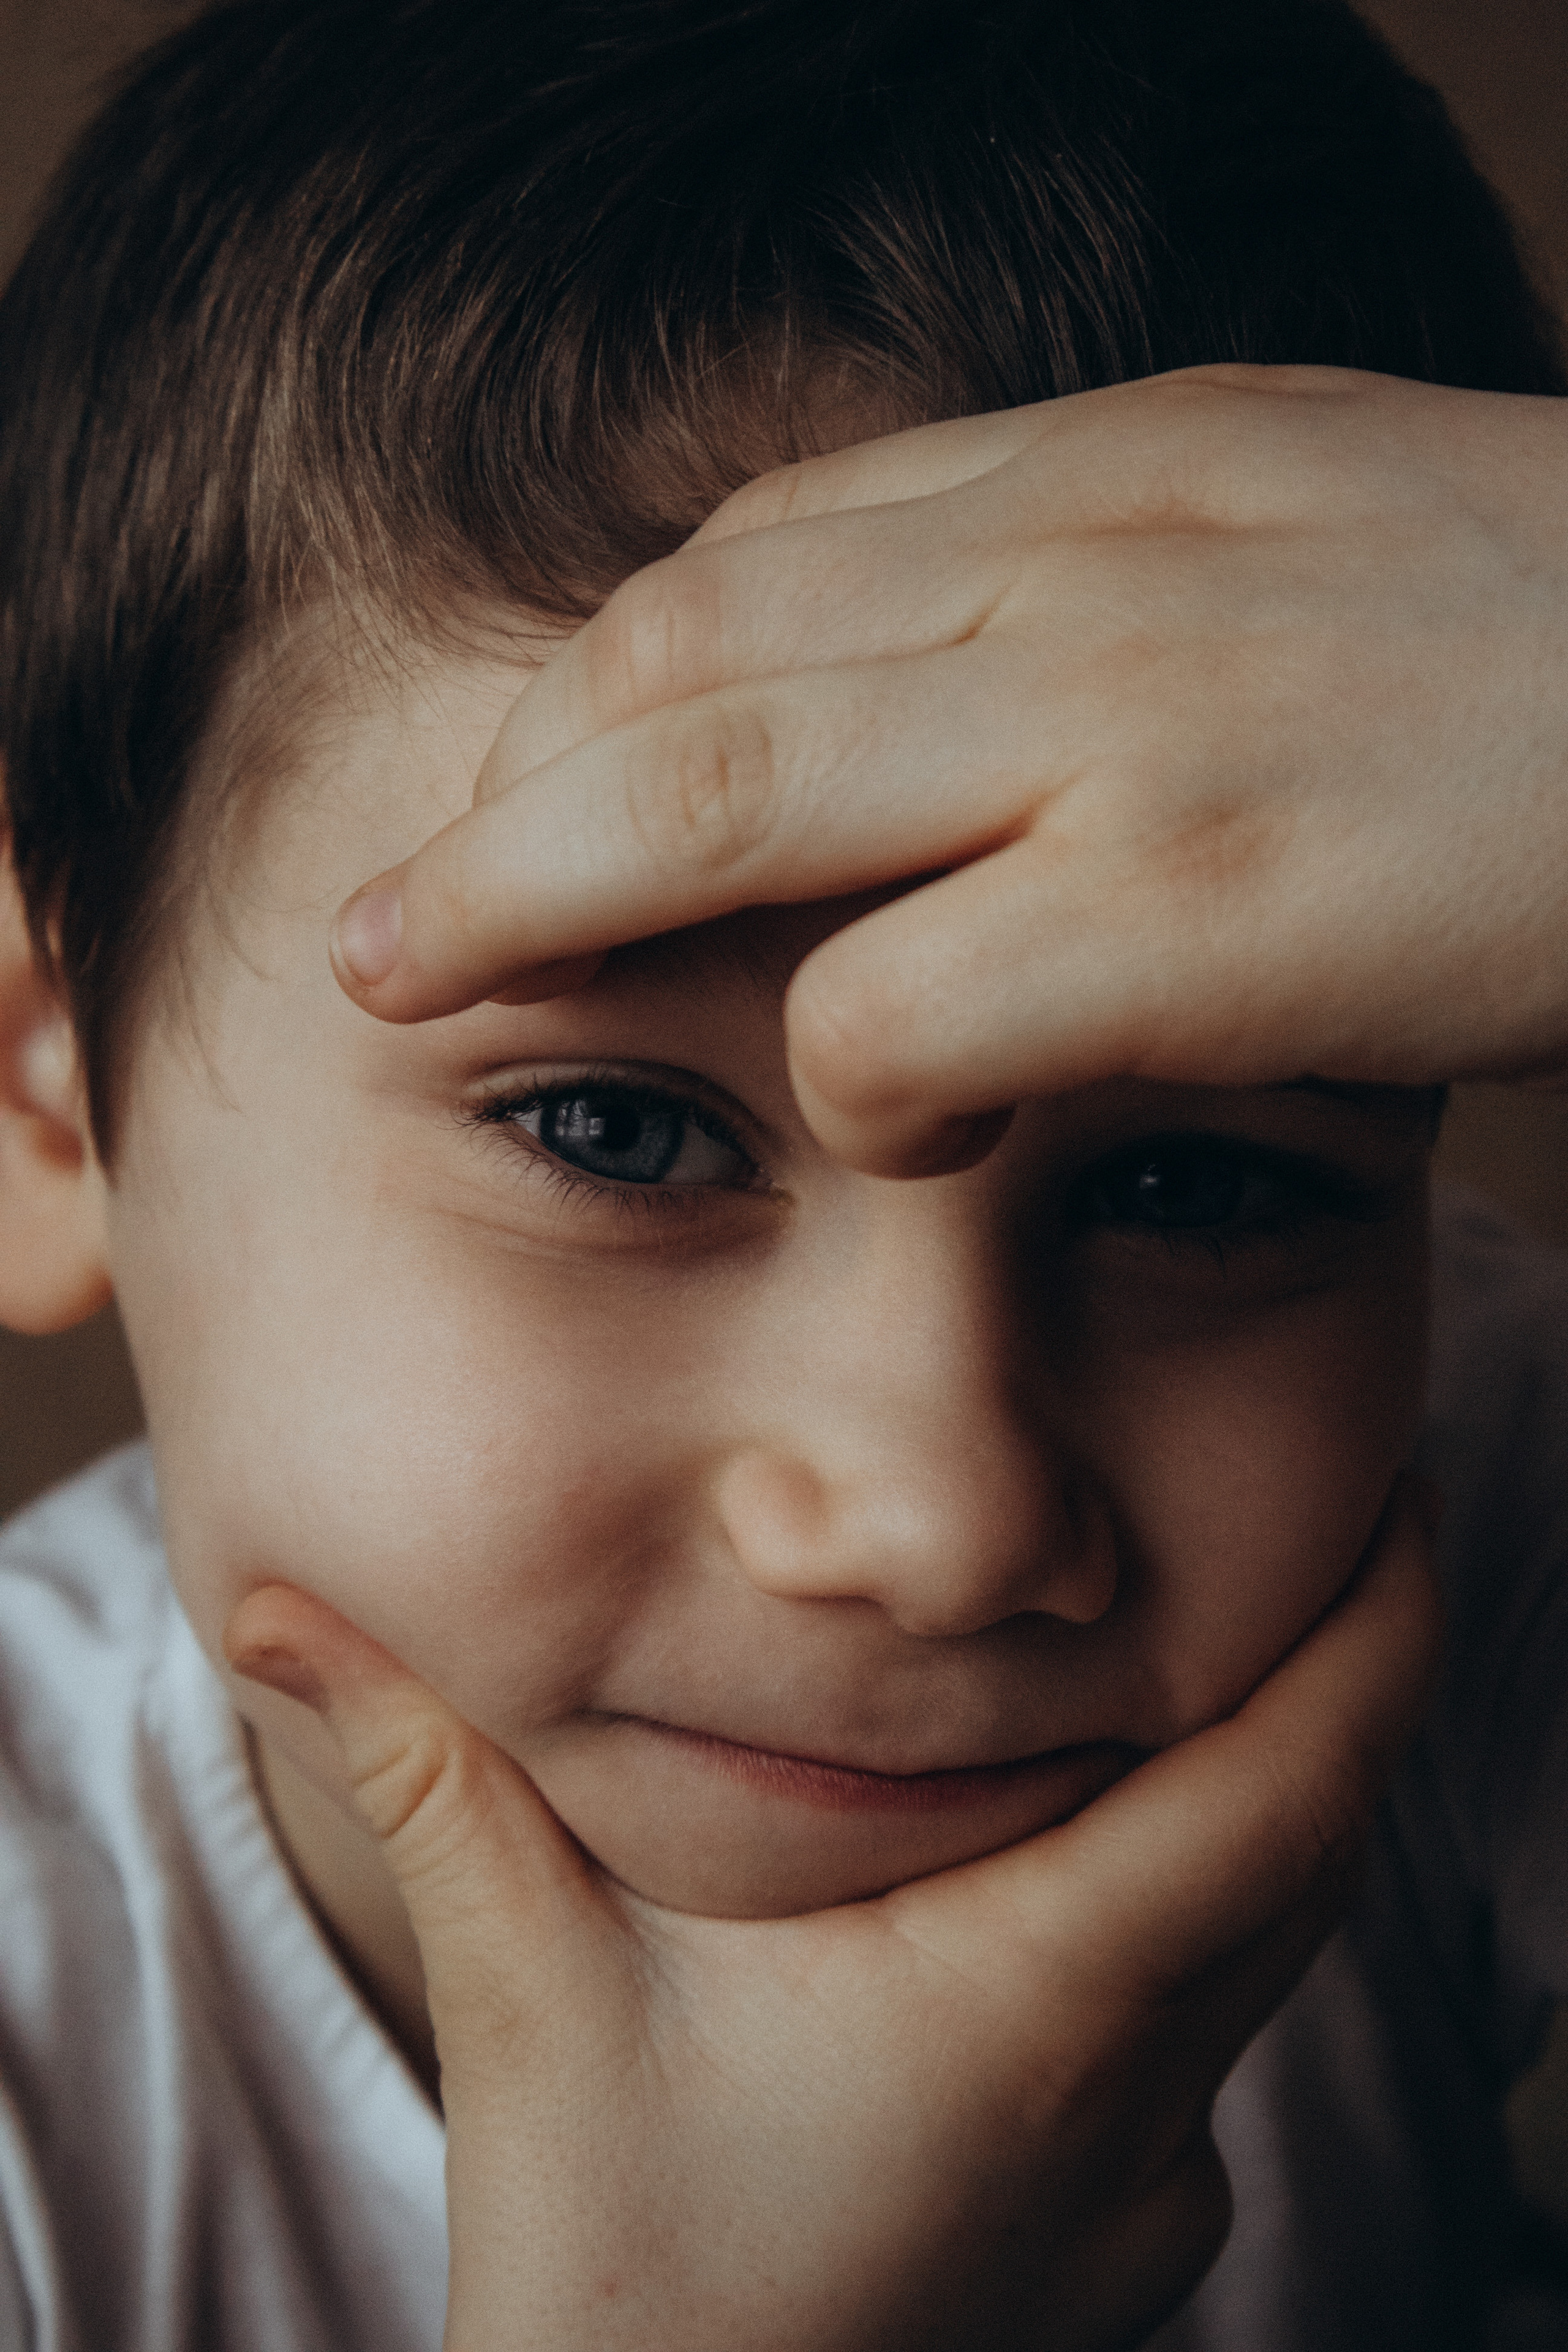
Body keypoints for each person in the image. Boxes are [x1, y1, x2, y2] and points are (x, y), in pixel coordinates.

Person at [0, 0, 1557, 2345]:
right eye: (614, 1130)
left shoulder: (1497, 1486)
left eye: (1202, 1189)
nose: (938, 1525)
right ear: (40, 1087)